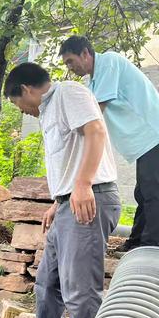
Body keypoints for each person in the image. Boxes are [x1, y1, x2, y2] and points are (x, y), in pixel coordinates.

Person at [0, 63, 121, 318]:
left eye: (17, 104)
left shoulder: (68, 92)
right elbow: (69, 156)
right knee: (46, 284)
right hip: (69, 204)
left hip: (90, 199)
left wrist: (81, 185)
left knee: (79, 291)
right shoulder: (50, 111)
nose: (22, 111)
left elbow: (95, 131)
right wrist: (59, 200)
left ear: (26, 90)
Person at [60, 35, 159, 251]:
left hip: (154, 134)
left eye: (70, 61)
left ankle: (151, 246)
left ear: (85, 53)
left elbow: (95, 111)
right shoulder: (94, 79)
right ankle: (136, 243)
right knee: (143, 193)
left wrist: (73, 129)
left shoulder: (108, 62)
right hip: (146, 142)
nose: (70, 67)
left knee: (152, 193)